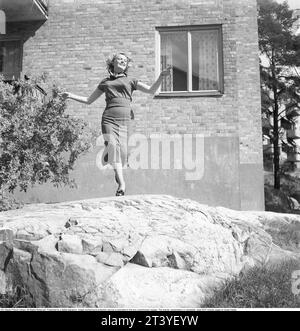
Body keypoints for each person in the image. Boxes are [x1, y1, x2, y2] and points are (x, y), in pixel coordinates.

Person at [61, 53, 171, 196]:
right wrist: (70, 95)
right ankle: (121, 184)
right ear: (112, 62)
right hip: (108, 119)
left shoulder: (131, 80)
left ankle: (118, 175)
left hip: (125, 119)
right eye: (119, 59)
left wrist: (161, 77)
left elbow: (151, 90)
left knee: (123, 152)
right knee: (113, 148)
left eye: (125, 60)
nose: (122, 61)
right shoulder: (105, 82)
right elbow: (89, 100)